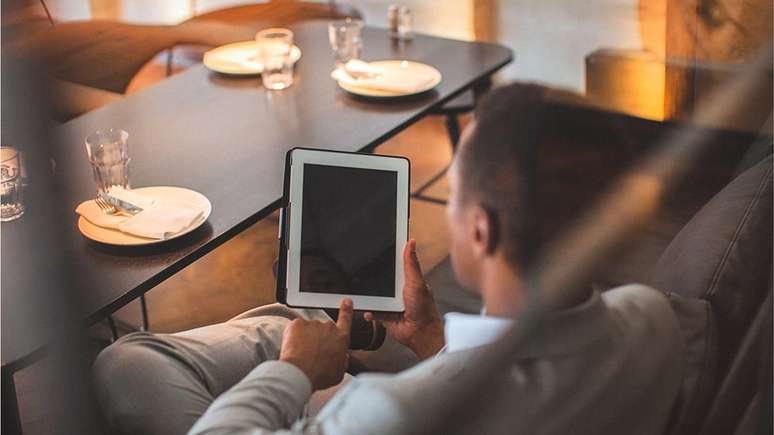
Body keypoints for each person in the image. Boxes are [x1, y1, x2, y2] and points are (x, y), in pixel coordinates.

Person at [93, 83, 685, 435]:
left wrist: (294, 376)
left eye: (453, 195)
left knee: (125, 365)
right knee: (285, 323)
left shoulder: (391, 411)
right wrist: (432, 339)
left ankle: (291, 345)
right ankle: (291, 335)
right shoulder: (653, 324)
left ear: (479, 230)